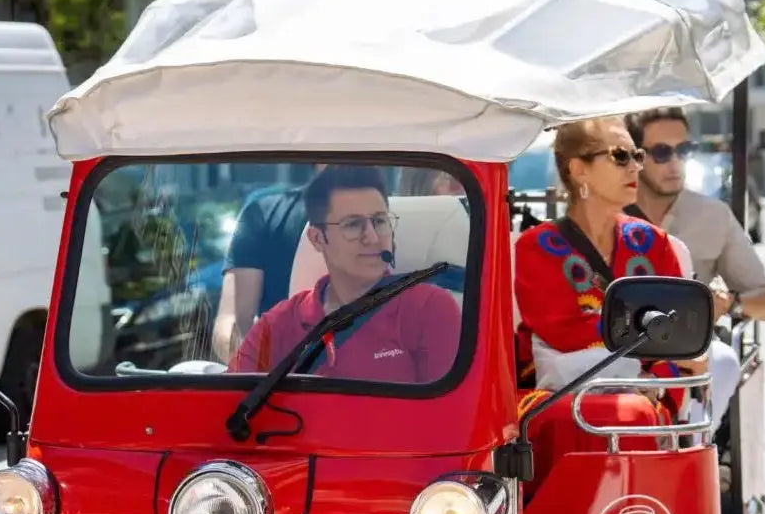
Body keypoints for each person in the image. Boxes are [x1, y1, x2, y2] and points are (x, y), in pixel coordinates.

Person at [513, 117, 712, 412]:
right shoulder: (537, 247)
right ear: (578, 169)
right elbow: (564, 334)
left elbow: (680, 332)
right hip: (562, 395)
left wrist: (648, 375)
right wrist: (640, 360)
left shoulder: (654, 243)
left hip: (649, 393)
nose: (635, 167)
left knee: (640, 411)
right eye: (619, 156)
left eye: (637, 156)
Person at [623, 108, 765, 429]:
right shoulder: (607, 212)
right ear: (635, 158)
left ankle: (692, 449)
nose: (675, 162)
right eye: (662, 152)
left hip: (691, 348)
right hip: (617, 345)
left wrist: (728, 303)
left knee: (722, 361)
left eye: (685, 150)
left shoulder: (713, 216)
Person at [228, 165, 461, 382]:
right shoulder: (278, 324)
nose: (371, 237)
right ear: (318, 238)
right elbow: (229, 407)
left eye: (379, 221)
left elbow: (452, 418)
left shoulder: (428, 308)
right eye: (353, 224)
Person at [212, 166, 326, 361]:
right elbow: (232, 321)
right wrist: (260, 367)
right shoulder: (262, 215)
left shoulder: (390, 217)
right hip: (281, 383)